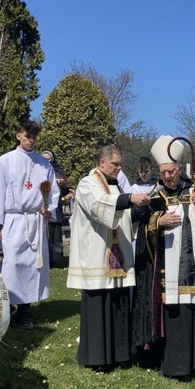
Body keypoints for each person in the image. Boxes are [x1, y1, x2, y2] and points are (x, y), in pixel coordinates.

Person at [66, 146, 151, 370]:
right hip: (96, 254)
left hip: (116, 255)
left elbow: (121, 216)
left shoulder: (116, 186)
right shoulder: (88, 183)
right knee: (99, 306)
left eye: (121, 164)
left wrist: (140, 211)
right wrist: (131, 198)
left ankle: (120, 355)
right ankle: (97, 358)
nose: (119, 168)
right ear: (102, 162)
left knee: (119, 303)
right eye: (115, 164)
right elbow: (99, 206)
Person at [131, 135, 195, 377]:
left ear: (179, 169)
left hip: (191, 266)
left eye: (171, 171)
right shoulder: (156, 194)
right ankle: (171, 364)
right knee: (170, 312)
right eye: (163, 172)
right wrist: (157, 221)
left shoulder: (193, 191)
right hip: (164, 269)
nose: (167, 176)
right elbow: (140, 224)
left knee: (191, 311)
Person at [0, 121, 59, 329]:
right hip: (14, 220)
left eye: (34, 137)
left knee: (34, 265)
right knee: (13, 265)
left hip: (35, 220)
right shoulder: (6, 161)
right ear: (18, 136)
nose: (31, 140)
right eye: (27, 136)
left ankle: (24, 311)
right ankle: (8, 307)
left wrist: (48, 207)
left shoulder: (44, 164)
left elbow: (53, 190)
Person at [41, 150, 69, 268]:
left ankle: (55, 258)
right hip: (42, 207)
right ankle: (44, 257)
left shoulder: (58, 171)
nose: (47, 161)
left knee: (55, 234)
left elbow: (63, 185)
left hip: (55, 207)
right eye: (44, 159)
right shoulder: (39, 169)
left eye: (49, 159)